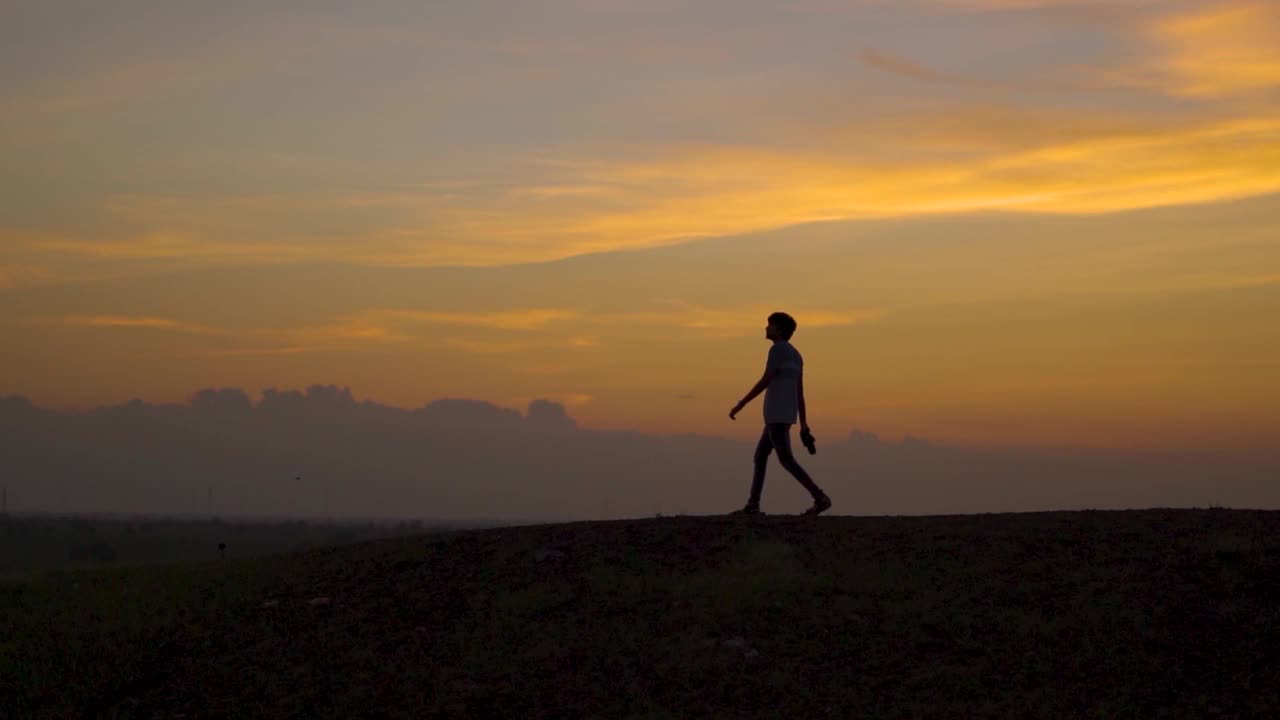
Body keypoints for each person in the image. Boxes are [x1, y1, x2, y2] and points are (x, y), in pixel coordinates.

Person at [728, 312, 832, 516]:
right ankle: (753, 504)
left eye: (770, 325)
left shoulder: (777, 350)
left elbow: (766, 379)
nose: (766, 328)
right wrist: (803, 424)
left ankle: (820, 497)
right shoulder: (797, 355)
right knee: (760, 456)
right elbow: (799, 392)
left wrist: (742, 403)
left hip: (776, 414)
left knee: (786, 459)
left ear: (780, 330)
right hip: (785, 414)